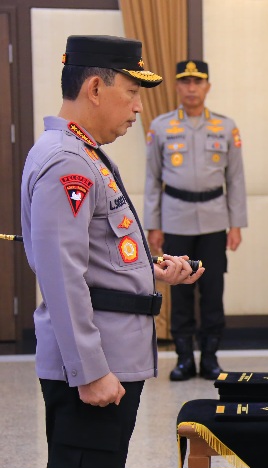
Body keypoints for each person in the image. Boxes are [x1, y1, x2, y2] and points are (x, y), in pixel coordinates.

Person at [21, 35, 204, 467]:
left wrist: (150, 267)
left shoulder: (85, 152)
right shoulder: (68, 162)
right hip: (95, 363)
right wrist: (90, 371)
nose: (139, 107)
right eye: (133, 92)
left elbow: (96, 248)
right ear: (96, 89)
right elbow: (62, 275)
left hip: (112, 354)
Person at [144, 60, 248, 381]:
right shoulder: (160, 127)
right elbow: (152, 179)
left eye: (197, 82)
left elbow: (236, 178)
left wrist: (235, 224)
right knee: (180, 291)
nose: (191, 88)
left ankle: (211, 358)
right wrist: (154, 224)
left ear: (207, 87)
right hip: (175, 218)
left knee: (213, 289)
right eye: (185, 82)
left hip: (215, 220)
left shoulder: (225, 126)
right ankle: (184, 358)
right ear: (177, 86)